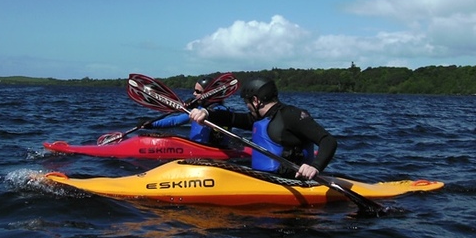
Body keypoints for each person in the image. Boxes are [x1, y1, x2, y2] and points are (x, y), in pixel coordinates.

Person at [188, 77, 337, 180]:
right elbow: (231, 117)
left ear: (255, 100)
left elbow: (328, 140)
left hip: (291, 181)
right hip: (264, 178)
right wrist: (206, 113)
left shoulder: (291, 116)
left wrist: (315, 167)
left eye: (247, 102)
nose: (246, 106)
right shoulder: (259, 119)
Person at [140, 76, 231, 147]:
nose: (194, 94)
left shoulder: (221, 111)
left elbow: (217, 115)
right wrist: (151, 124)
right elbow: (175, 121)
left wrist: (205, 112)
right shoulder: (198, 110)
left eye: (198, 91)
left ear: (210, 94)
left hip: (213, 153)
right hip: (196, 149)